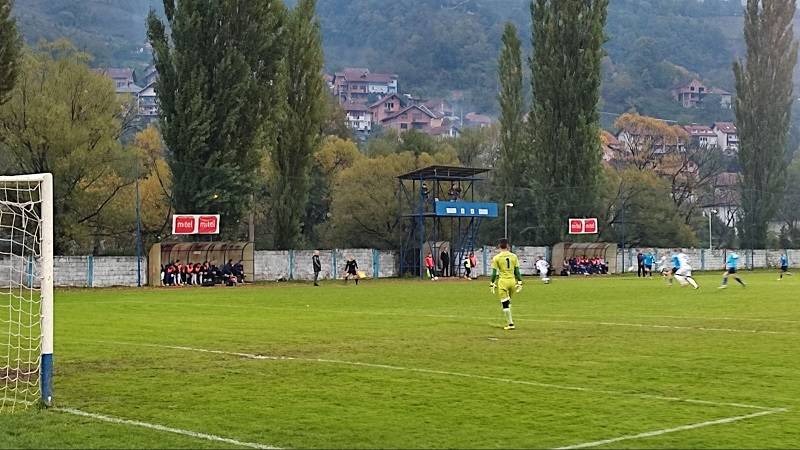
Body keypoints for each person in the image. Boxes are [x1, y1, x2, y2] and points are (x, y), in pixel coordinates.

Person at [489, 239, 523, 331]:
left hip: (503, 282)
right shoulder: (514, 256)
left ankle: (510, 323)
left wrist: (492, 283)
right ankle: (509, 319)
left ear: (499, 246)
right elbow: (517, 271)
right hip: (512, 281)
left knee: (505, 303)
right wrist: (520, 281)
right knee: (508, 302)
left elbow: (494, 273)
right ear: (508, 246)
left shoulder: (497, 258)